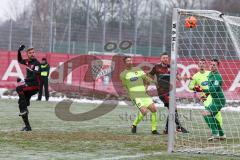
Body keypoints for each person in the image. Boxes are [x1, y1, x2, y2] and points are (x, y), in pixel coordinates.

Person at [149, 52, 188, 134]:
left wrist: (187, 78)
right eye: (164, 58)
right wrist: (154, 82)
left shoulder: (172, 68)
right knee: (173, 108)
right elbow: (150, 76)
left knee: (173, 109)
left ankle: (167, 129)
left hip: (170, 92)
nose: (165, 59)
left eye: (167, 58)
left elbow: (178, 78)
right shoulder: (156, 67)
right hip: (162, 93)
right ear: (161, 59)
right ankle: (179, 127)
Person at [120, 56, 160, 135]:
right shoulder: (123, 74)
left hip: (143, 94)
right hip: (135, 96)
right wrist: (128, 93)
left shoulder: (138, 70)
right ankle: (134, 125)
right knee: (144, 111)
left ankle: (154, 130)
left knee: (154, 109)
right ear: (125, 63)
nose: (130, 61)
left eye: (130, 60)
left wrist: (153, 81)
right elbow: (124, 86)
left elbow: (145, 78)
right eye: (128, 61)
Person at [194, 59, 226, 141]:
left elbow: (213, 90)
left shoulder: (217, 77)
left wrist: (201, 90)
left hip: (219, 100)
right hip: (214, 100)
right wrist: (204, 97)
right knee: (210, 115)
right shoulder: (211, 74)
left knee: (206, 113)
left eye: (214, 65)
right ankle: (221, 134)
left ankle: (215, 134)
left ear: (217, 66)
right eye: (211, 64)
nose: (212, 66)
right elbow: (210, 89)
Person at [188, 59, 223, 129]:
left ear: (206, 65)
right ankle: (216, 131)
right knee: (210, 113)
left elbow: (217, 82)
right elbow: (190, 86)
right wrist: (199, 89)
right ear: (198, 65)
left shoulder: (210, 73)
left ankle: (219, 131)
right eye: (200, 63)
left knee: (217, 113)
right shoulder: (195, 76)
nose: (201, 65)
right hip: (204, 96)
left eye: (203, 63)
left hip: (214, 95)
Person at [16, 45, 40, 131]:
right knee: (21, 104)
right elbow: (19, 60)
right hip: (29, 85)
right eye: (30, 53)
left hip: (34, 86)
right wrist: (19, 51)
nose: (32, 54)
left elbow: (34, 77)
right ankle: (28, 127)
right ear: (27, 54)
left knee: (19, 89)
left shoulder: (37, 64)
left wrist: (23, 79)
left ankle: (25, 108)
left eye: (33, 52)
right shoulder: (27, 62)